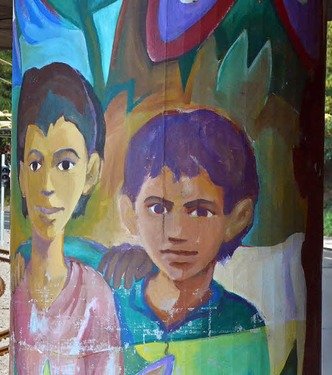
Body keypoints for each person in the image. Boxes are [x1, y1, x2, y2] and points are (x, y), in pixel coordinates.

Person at [116, 108, 270, 374]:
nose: (176, 232)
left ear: (237, 218)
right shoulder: (109, 309)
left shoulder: (243, 324)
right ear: (130, 214)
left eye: (200, 211)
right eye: (158, 209)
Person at [11, 62, 124, 374]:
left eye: (64, 165)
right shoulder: (19, 284)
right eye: (35, 164)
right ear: (21, 176)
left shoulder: (94, 295)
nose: (46, 186)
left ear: (91, 173)